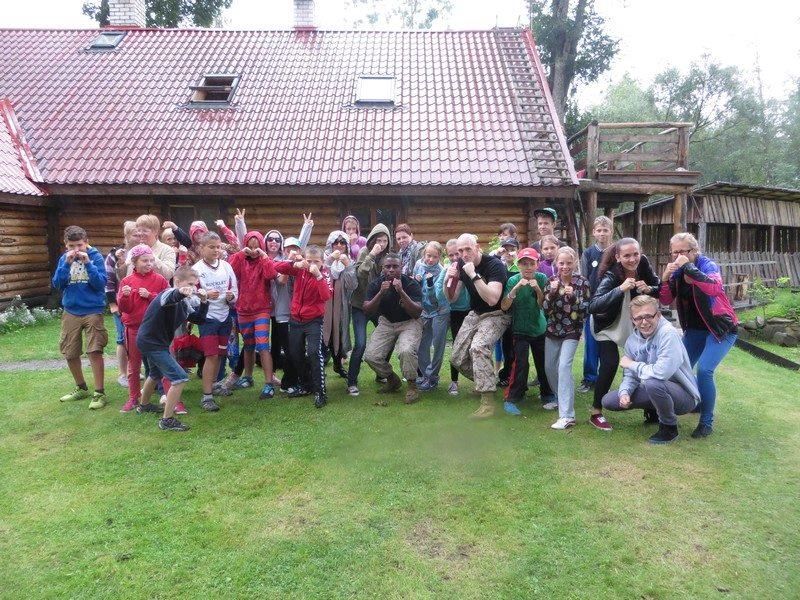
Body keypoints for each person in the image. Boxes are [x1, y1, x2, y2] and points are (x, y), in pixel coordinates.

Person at [659, 232, 738, 438]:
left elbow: (714, 288)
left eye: (683, 251)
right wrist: (665, 278)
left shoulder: (707, 265)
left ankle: (706, 422)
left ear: (694, 251)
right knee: (676, 367)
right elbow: (665, 299)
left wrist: (688, 267)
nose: (678, 256)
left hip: (720, 328)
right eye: (674, 252)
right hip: (695, 330)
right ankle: (696, 401)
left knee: (704, 370)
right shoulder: (677, 272)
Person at [601, 295, 701, 444]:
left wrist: (632, 364)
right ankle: (655, 411)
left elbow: (662, 373)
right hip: (656, 388)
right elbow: (630, 375)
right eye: (638, 318)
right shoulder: (632, 342)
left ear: (658, 315)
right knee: (609, 401)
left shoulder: (668, 334)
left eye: (648, 316)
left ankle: (669, 428)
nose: (644, 322)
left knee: (653, 382)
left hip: (684, 396)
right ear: (632, 320)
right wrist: (625, 392)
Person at [587, 238, 660, 431]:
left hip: (634, 323)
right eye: (627, 255)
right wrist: (620, 289)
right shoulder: (611, 275)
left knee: (646, 361)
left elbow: (658, 287)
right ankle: (596, 412)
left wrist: (649, 289)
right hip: (608, 325)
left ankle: (651, 409)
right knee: (610, 363)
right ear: (618, 257)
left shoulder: (643, 263)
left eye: (636, 254)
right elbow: (593, 305)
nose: (632, 259)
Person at [137, 265, 209, 431]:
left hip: (154, 342)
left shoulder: (183, 304)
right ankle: (167, 420)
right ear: (177, 281)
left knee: (155, 374)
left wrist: (204, 302)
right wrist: (180, 291)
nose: (193, 288)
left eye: (195, 285)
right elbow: (173, 296)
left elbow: (199, 319)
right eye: (190, 284)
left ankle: (144, 405)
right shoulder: (167, 294)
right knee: (180, 378)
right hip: (152, 343)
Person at [445, 233, 510, 418]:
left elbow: (492, 299)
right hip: (475, 313)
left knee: (478, 347)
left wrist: (473, 274)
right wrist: (447, 280)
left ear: (477, 248)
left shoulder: (494, 265)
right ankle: (485, 382)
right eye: (460, 251)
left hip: (497, 314)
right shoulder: (460, 264)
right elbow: (452, 298)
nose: (464, 254)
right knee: (456, 358)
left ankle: (488, 402)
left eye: (468, 249)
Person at [52, 225, 109, 409]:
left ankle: (99, 393)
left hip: (93, 309)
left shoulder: (96, 257)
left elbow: (100, 284)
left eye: (79, 245)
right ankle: (81, 387)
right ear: (66, 245)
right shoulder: (64, 259)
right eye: (71, 246)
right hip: (71, 310)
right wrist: (66, 264)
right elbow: (57, 284)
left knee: (94, 350)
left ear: (86, 242)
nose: (76, 250)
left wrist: (89, 264)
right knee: (70, 352)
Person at [275, 245, 333, 408]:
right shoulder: (300, 270)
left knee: (314, 352)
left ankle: (321, 392)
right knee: (294, 353)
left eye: (316, 261)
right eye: (309, 261)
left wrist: (318, 275)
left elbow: (326, 296)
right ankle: (307, 385)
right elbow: (276, 266)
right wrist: (293, 263)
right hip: (295, 319)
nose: (312, 264)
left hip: (314, 320)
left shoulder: (325, 274)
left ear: (322, 262)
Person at [363, 253, 424, 404]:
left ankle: (412, 386)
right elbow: (367, 310)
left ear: (401, 267)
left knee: (406, 350)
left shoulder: (410, 284)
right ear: (382, 268)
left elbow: (417, 313)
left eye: (395, 266)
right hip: (387, 322)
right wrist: (380, 293)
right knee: (371, 356)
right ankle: (392, 379)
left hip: (410, 322)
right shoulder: (376, 284)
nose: (391, 270)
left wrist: (401, 292)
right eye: (387, 266)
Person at [117, 244, 170, 413]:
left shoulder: (160, 280)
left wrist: (150, 296)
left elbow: (168, 301)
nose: (149, 264)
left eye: (151, 260)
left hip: (155, 329)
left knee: (163, 362)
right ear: (134, 262)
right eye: (144, 260)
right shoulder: (126, 282)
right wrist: (124, 297)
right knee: (134, 365)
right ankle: (134, 398)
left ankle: (169, 396)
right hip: (134, 329)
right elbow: (124, 309)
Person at [500, 248, 553, 415]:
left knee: (543, 363)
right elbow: (504, 306)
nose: (528, 267)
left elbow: (543, 305)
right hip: (520, 330)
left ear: (537, 265)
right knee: (520, 364)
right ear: (519, 265)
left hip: (539, 328)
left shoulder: (542, 278)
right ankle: (513, 398)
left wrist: (537, 289)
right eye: (524, 264)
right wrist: (516, 288)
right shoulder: (513, 280)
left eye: (531, 263)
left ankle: (548, 394)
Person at [542, 247, 590, 430]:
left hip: (572, 330)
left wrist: (573, 298)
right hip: (553, 329)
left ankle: (567, 415)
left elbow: (586, 308)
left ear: (575, 263)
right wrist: (552, 293)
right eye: (561, 263)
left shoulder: (582, 282)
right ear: (556, 263)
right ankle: (560, 398)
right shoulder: (551, 281)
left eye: (569, 263)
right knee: (549, 368)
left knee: (563, 367)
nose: (565, 266)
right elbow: (545, 309)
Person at [228, 230, 279, 399]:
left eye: (257, 247)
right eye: (250, 246)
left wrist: (264, 257)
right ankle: (248, 377)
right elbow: (230, 270)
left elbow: (271, 274)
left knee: (263, 345)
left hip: (261, 309)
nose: (253, 250)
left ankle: (268, 383)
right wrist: (241, 254)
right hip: (243, 309)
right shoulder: (241, 260)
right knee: (248, 345)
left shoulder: (265, 260)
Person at [192, 232, 238, 412]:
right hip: (208, 318)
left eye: (218, 247)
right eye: (211, 247)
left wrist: (231, 297)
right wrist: (204, 296)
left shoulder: (226, 266)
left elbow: (234, 290)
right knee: (210, 355)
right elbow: (190, 295)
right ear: (201, 248)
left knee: (220, 354)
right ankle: (206, 396)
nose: (216, 250)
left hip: (224, 316)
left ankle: (214, 384)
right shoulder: (197, 269)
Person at [348, 223, 392, 396]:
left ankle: (381, 374)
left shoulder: (388, 257)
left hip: (378, 306)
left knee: (389, 339)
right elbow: (361, 273)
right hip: (360, 306)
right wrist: (372, 254)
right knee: (360, 344)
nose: (381, 244)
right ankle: (352, 382)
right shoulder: (364, 252)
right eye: (378, 240)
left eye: (385, 240)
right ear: (372, 240)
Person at [578, 216, 614, 393]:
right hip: (592, 306)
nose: (602, 233)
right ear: (593, 232)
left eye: (605, 230)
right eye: (599, 230)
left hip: (610, 305)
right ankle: (589, 378)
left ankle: (604, 378)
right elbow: (583, 279)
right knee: (591, 344)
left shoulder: (616, 252)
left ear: (611, 232)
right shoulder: (588, 253)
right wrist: (585, 303)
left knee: (607, 344)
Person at [105, 220, 140, 388]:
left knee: (136, 339)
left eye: (140, 234)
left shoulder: (141, 253)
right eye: (135, 235)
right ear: (126, 236)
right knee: (122, 339)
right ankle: (122, 374)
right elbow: (109, 281)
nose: (138, 238)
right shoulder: (115, 255)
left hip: (138, 303)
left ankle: (134, 370)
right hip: (121, 303)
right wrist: (113, 304)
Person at [436, 239, 471, 396]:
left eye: (457, 253)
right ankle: (454, 381)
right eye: (451, 255)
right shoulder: (447, 270)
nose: (455, 257)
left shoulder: (469, 267)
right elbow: (438, 294)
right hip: (455, 312)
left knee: (474, 346)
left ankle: (480, 379)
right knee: (457, 345)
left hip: (471, 310)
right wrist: (446, 280)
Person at [413, 241, 449, 391]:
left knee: (438, 345)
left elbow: (436, 298)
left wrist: (429, 283)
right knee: (422, 345)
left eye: (435, 257)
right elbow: (414, 288)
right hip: (424, 311)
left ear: (439, 257)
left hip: (439, 310)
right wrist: (416, 281)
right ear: (424, 254)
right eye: (428, 255)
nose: (431, 259)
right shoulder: (418, 265)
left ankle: (433, 378)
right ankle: (425, 375)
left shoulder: (441, 271)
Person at [323, 230, 357, 378]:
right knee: (324, 335)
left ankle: (338, 364)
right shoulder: (323, 259)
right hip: (324, 305)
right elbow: (321, 274)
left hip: (341, 306)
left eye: (342, 242)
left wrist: (347, 265)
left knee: (339, 333)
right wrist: (330, 260)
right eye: (335, 242)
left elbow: (352, 285)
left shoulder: (350, 262)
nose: (339, 245)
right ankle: (318, 368)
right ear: (330, 244)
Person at [119, 214, 176, 280]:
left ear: (155, 232)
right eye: (139, 230)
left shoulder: (167, 250)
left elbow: (169, 274)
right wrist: (121, 263)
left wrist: (149, 253)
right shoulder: (135, 250)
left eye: (144, 231)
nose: (140, 233)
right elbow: (124, 277)